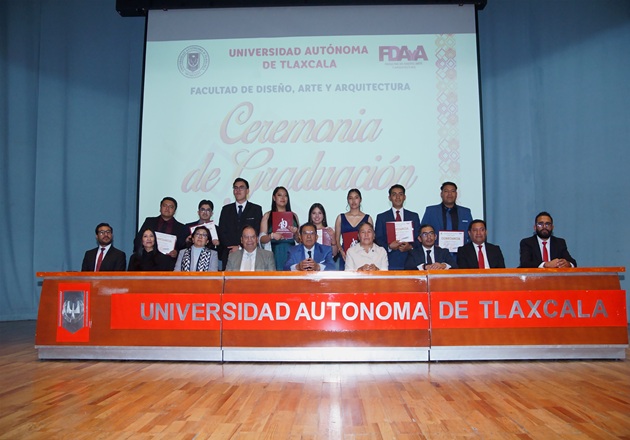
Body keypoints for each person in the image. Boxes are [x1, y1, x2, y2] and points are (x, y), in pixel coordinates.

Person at [218, 178, 263, 271]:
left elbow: (257, 230)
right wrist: (231, 247)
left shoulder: (256, 209)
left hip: (250, 252)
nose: (238, 190)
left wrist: (240, 247)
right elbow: (222, 231)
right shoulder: (226, 209)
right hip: (229, 252)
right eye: (236, 188)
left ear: (247, 191)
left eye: (241, 188)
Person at [374, 184, 421, 270]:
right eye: (394, 194)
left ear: (404, 197)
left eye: (400, 194)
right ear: (389, 198)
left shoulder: (414, 216)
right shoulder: (381, 217)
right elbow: (378, 239)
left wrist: (410, 247)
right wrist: (389, 247)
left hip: (411, 260)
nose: (398, 197)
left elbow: (419, 238)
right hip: (390, 260)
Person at [134, 197, 189, 268]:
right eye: (165, 206)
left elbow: (184, 247)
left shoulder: (181, 227)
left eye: (171, 207)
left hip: (170, 265)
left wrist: (177, 253)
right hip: (148, 262)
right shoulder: (149, 221)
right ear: (160, 208)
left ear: (175, 211)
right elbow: (138, 240)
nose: (167, 209)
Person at [421, 182, 473, 248]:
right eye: (446, 191)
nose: (449, 194)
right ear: (441, 194)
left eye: (452, 191)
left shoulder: (465, 212)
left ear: (456, 194)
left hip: (462, 252)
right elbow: (422, 231)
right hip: (437, 251)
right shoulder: (431, 211)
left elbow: (472, 233)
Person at [259, 186, 300, 271]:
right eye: (279, 195)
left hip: (291, 253)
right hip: (274, 253)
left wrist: (296, 233)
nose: (283, 198)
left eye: (285, 195)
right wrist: (271, 236)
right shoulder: (267, 216)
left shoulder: (294, 216)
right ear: (274, 198)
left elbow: (299, 240)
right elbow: (261, 239)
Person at [334, 188, 373, 270]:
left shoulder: (368, 218)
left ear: (360, 200)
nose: (353, 201)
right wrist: (341, 252)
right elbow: (336, 239)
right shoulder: (340, 218)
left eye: (356, 198)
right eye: (351, 198)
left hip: (363, 256)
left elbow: (371, 239)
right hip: (345, 256)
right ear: (348, 200)